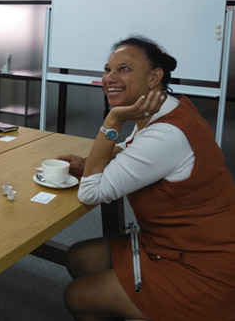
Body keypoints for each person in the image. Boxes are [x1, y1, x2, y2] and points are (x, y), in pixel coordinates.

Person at [59, 36, 235, 320]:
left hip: (203, 262)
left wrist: (113, 120)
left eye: (124, 69)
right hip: (169, 242)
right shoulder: (167, 108)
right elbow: (131, 150)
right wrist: (87, 163)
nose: (110, 78)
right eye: (107, 69)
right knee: (78, 257)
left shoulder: (166, 134)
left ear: (154, 77)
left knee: (76, 296)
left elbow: (90, 193)